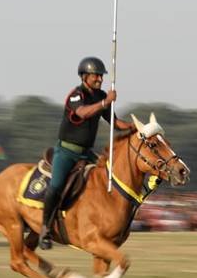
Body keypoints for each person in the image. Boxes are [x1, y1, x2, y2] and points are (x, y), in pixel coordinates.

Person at [39, 56, 134, 250]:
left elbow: (115, 123)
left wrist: (135, 127)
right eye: (95, 76)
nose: (100, 79)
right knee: (56, 186)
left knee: (107, 176)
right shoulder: (76, 95)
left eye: (101, 76)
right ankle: (45, 228)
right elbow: (82, 113)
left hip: (86, 153)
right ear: (84, 76)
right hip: (66, 152)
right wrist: (105, 102)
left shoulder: (100, 96)